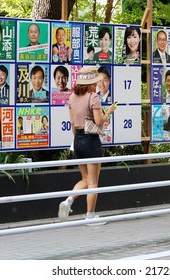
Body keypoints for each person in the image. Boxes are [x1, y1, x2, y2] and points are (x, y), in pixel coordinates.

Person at [58, 66, 117, 224]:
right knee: (93, 182)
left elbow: (72, 122)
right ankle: (90, 216)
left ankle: (69, 200)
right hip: (90, 141)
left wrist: (77, 139)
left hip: (77, 139)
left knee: (85, 178)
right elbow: (98, 121)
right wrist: (109, 112)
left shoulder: (72, 97)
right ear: (92, 82)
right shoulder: (93, 97)